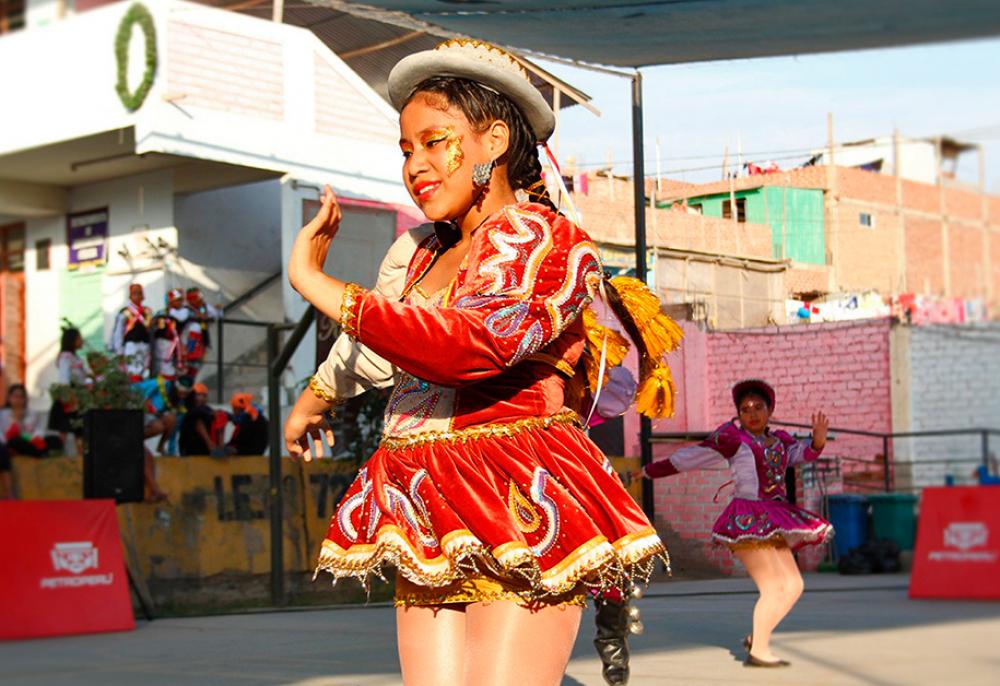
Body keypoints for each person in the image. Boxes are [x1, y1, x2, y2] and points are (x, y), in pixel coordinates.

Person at [283, 39, 667, 686]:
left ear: (492, 140)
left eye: (435, 142)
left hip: (519, 494)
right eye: (407, 149)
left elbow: (469, 346)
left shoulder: (544, 241)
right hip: (422, 496)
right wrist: (308, 404)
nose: (416, 166)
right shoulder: (416, 252)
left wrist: (311, 279)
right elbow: (378, 347)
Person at [634, 379, 831, 668]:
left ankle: (757, 637)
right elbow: (691, 457)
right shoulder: (733, 440)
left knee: (794, 585)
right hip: (747, 520)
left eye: (758, 407)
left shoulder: (780, 441)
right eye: (745, 409)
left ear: (770, 411)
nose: (752, 413)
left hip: (775, 518)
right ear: (738, 414)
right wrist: (649, 471)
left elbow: (802, 455)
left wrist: (819, 439)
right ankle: (759, 651)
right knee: (772, 587)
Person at [48, 326, 87, 450]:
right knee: (64, 428)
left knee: (79, 429)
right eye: (79, 338)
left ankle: (80, 459)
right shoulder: (66, 357)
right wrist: (68, 396)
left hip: (78, 394)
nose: (82, 341)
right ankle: (59, 455)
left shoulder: (75, 357)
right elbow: (64, 377)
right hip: (69, 395)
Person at [180, 287, 223, 383]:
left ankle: (192, 381)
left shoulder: (205, 307)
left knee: (198, 364)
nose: (200, 300)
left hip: (202, 339)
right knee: (187, 364)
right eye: (196, 298)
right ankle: (185, 381)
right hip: (189, 339)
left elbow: (217, 316)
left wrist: (219, 310)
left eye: (200, 297)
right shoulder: (185, 309)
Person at [110, 283, 152, 381]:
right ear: (130, 296)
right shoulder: (125, 312)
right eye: (134, 293)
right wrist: (119, 351)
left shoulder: (147, 311)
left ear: (143, 296)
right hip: (131, 345)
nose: (137, 296)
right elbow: (118, 333)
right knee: (133, 370)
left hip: (145, 345)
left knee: (145, 371)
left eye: (140, 293)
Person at [150, 288, 187, 382]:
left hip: (174, 343)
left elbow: (181, 318)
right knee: (160, 365)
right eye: (177, 300)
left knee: (171, 367)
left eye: (180, 300)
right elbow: (153, 323)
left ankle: (169, 384)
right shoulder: (162, 312)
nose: (180, 302)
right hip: (160, 342)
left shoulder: (183, 311)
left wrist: (170, 310)